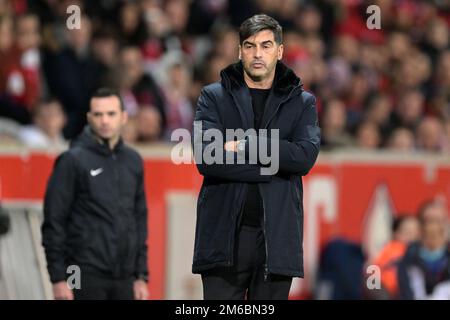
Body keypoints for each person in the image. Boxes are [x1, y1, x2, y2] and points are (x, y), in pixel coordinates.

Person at [192, 14, 320, 300]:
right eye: (249, 46)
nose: (257, 54)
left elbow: (304, 157)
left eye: (265, 45)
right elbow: (207, 158)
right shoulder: (213, 96)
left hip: (277, 242)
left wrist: (245, 143)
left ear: (280, 51)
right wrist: (272, 166)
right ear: (240, 51)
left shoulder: (302, 103)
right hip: (222, 239)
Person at [41, 87, 149, 300]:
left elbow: (139, 220)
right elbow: (54, 221)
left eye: (111, 114)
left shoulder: (133, 160)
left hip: (125, 276)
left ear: (124, 117)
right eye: (98, 114)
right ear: (89, 118)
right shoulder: (72, 160)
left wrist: (141, 275)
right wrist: (59, 278)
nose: (105, 121)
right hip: (81, 273)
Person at [398, 199, 450, 299]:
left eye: (440, 221)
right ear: (420, 225)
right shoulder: (409, 257)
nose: (435, 227)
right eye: (430, 221)